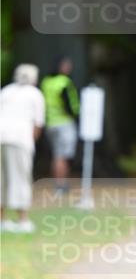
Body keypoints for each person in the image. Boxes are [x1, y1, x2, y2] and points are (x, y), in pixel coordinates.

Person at [0, 64, 46, 233]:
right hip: (20, 139)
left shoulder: (5, 91)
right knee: (21, 178)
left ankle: (2, 220)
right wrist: (31, 141)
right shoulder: (35, 94)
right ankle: (23, 220)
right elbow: (38, 124)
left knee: (2, 179)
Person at [40, 56, 79, 193]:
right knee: (63, 155)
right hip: (64, 123)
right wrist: (76, 115)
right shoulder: (64, 82)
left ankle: (59, 183)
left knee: (57, 155)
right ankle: (61, 184)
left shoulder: (46, 82)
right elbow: (70, 105)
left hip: (50, 123)